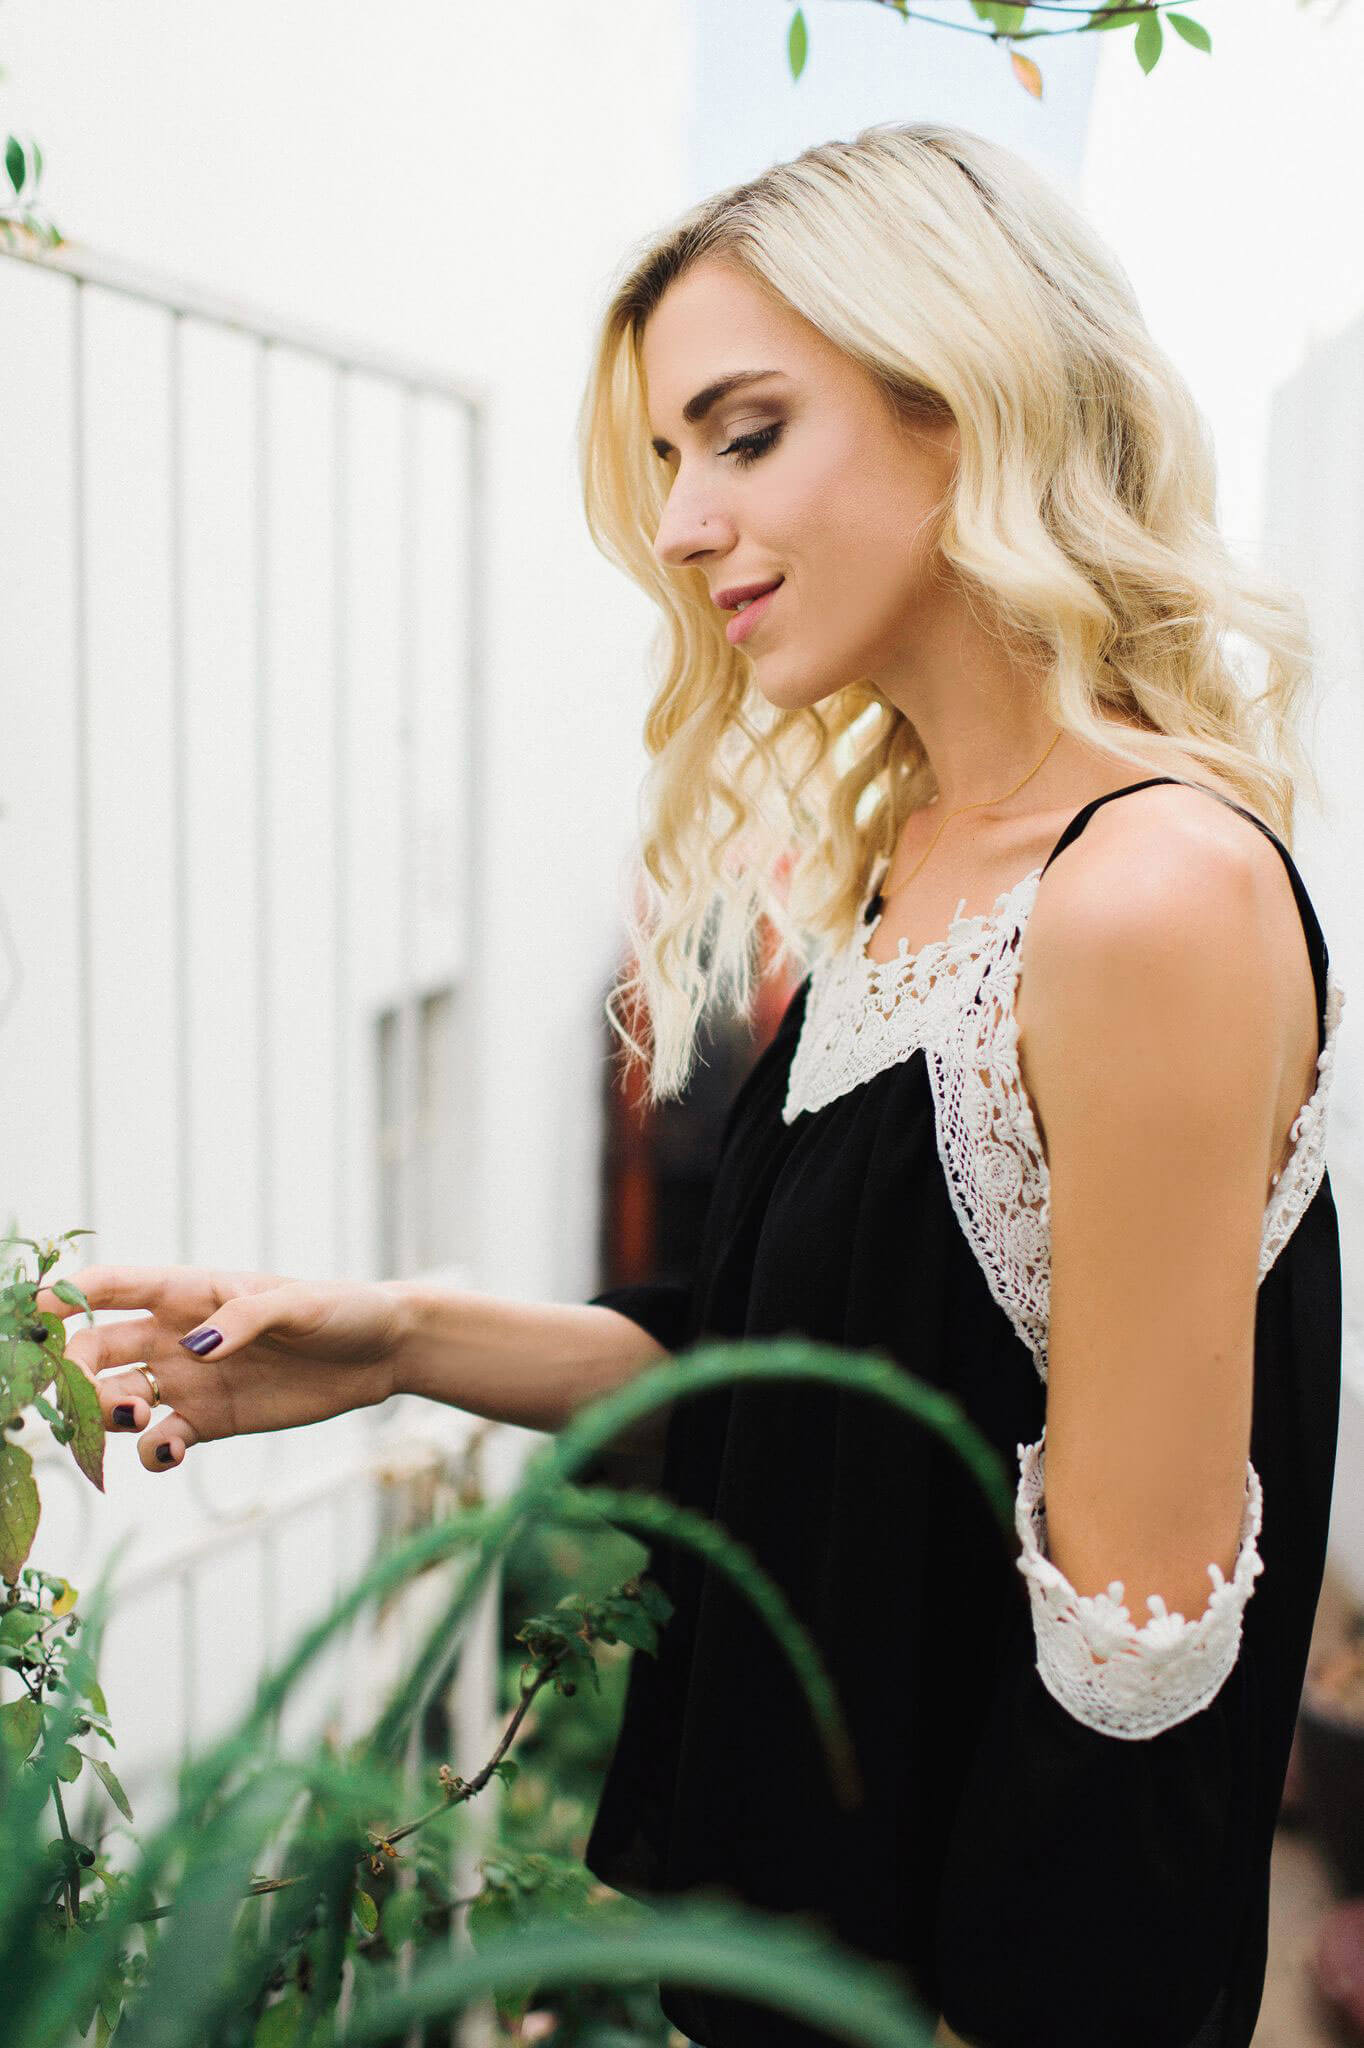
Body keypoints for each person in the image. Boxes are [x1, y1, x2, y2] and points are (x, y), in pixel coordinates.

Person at [37, 122, 1345, 2048]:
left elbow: (1134, 1676)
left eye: (743, 435)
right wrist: (399, 1338)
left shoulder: (1145, 897)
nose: (679, 522)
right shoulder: (918, 854)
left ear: (964, 405)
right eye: (667, 459)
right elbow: (800, 1404)